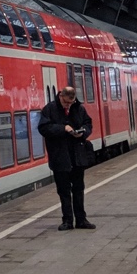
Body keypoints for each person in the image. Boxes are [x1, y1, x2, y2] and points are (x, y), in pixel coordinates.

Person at [38, 86, 96, 230]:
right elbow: (43, 128)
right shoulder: (49, 109)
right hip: (59, 157)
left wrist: (82, 132)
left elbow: (88, 124)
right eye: (65, 103)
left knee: (78, 189)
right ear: (60, 97)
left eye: (71, 103)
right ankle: (67, 221)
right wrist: (63, 129)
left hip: (77, 156)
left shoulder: (79, 108)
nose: (68, 106)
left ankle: (81, 220)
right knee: (64, 191)